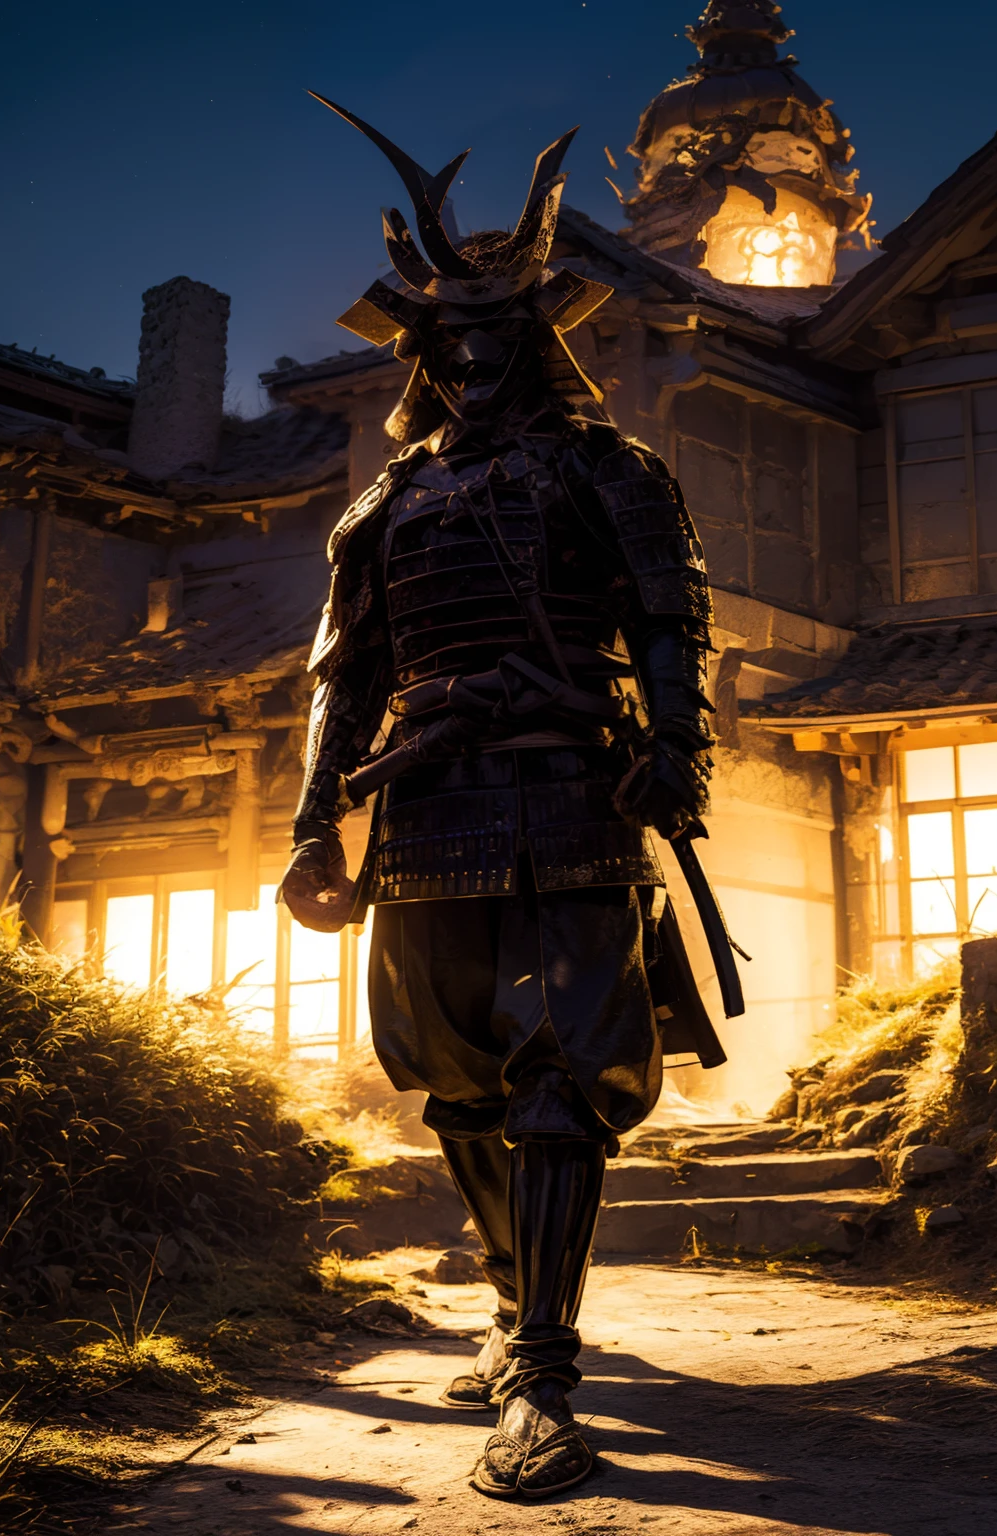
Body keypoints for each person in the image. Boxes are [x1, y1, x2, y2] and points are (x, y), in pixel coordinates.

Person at [280, 96, 724, 1501]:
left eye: (498, 340)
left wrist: (677, 751)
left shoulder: (610, 471)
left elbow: (669, 626)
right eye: (450, 344)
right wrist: (311, 824)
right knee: (456, 1086)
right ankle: (503, 1303)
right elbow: (345, 679)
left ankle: (543, 1366)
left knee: (550, 1088)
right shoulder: (387, 502)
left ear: (537, 343)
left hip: (567, 789)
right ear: (422, 352)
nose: (474, 364)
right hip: (423, 811)